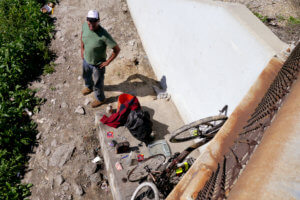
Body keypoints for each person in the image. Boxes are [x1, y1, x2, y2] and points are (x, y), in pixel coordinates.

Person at [81, 10, 120, 108]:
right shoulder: (85, 26)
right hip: (86, 59)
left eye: (94, 21)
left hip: (98, 65)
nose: (91, 23)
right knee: (86, 75)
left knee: (98, 83)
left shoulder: (104, 35)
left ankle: (100, 99)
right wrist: (82, 49)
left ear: (98, 20)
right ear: (87, 20)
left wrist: (108, 62)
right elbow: (82, 35)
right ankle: (89, 87)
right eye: (90, 20)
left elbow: (116, 49)